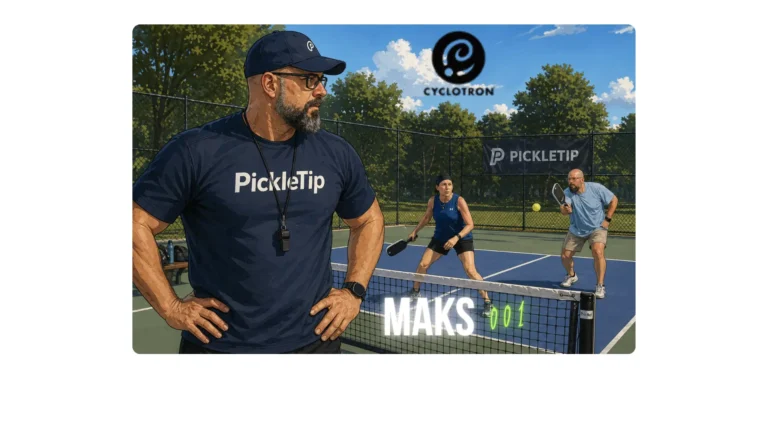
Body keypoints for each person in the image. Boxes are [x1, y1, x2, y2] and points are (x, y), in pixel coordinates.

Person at [132, 30, 385, 354]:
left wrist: (353, 291)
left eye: (322, 79)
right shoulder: (196, 150)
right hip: (219, 351)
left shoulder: (335, 153)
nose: (321, 91)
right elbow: (134, 224)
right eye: (309, 79)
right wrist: (171, 307)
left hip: (316, 347)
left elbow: (369, 220)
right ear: (269, 84)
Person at [406, 174, 494, 317]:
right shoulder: (433, 201)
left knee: (470, 270)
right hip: (440, 237)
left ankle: (487, 302)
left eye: (449, 184)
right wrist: (415, 231)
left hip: (462, 237)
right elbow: (427, 217)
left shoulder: (459, 201)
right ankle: (415, 291)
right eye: (444, 184)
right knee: (423, 264)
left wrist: (456, 238)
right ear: (437, 187)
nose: (447, 187)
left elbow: (470, 224)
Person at [558, 169, 618, 299]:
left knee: (598, 252)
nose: (571, 182)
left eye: (574, 179)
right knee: (565, 256)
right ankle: (572, 276)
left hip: (597, 228)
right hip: (576, 229)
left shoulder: (596, 188)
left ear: (582, 179)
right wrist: (566, 209)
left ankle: (600, 285)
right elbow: (563, 209)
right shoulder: (567, 192)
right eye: (569, 179)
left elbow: (614, 200)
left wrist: (607, 219)